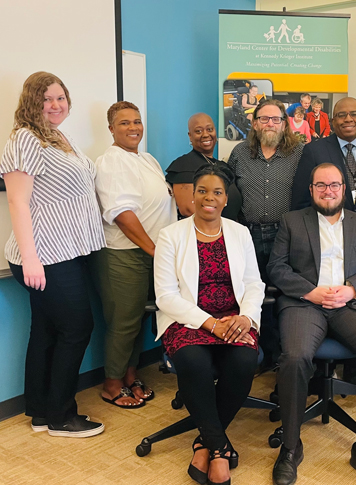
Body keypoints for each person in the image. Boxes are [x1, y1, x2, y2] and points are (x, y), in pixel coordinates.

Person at [268, 163, 356, 485]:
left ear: (344, 189)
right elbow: (277, 269)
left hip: (349, 304)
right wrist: (311, 292)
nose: (328, 190)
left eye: (334, 185)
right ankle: (291, 446)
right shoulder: (292, 221)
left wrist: (351, 289)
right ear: (311, 190)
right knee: (294, 357)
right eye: (321, 185)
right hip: (304, 304)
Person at [0, 71, 105, 437]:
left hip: (65, 250)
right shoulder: (25, 139)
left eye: (60, 97)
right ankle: (62, 416)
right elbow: (17, 200)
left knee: (47, 331)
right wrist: (31, 258)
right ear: (32, 102)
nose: (56, 105)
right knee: (78, 328)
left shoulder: (58, 136)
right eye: (47, 99)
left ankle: (42, 411)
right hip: (45, 255)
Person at [154, 165, 265, 485]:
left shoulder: (239, 232)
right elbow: (165, 295)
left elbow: (254, 284)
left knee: (245, 361)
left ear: (226, 199)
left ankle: (204, 442)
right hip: (188, 319)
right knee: (192, 362)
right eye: (202, 190)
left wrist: (245, 318)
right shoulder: (170, 235)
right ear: (192, 194)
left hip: (233, 319)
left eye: (217, 192)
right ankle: (217, 447)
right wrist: (208, 323)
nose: (209, 198)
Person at [92, 101, 176, 408]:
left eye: (137, 121)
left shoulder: (147, 159)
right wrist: (154, 250)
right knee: (123, 321)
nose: (133, 127)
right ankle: (112, 383)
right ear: (111, 129)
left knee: (138, 319)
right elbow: (122, 214)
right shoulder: (111, 162)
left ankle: (129, 376)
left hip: (149, 253)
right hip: (124, 254)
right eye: (124, 123)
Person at [228, 99, 303, 367]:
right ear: (254, 123)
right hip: (248, 235)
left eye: (275, 119)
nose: (269, 124)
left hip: (287, 237)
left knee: (286, 296)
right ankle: (258, 356)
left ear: (285, 123)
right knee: (251, 295)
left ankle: (287, 356)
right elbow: (229, 194)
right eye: (264, 119)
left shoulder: (300, 153)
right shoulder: (239, 154)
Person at [291, 97, 356, 217]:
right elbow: (301, 200)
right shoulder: (314, 151)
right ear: (332, 121)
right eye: (341, 115)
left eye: (354, 114)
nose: (348, 119)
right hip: (326, 230)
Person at [165, 113, 242, 221]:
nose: (205, 134)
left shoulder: (222, 166)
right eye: (198, 131)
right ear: (190, 136)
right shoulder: (183, 166)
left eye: (210, 129)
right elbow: (188, 210)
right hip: (206, 235)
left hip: (230, 233)